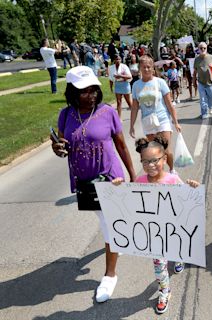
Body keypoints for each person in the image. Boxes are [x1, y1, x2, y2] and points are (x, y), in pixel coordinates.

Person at [50, 66, 136, 303]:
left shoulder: (108, 112)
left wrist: (133, 175)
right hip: (85, 182)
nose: (92, 95)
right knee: (104, 219)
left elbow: (121, 145)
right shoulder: (65, 115)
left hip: (110, 177)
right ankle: (117, 242)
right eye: (84, 91)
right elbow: (64, 147)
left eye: (94, 90)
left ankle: (110, 275)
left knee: (109, 224)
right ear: (72, 93)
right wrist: (57, 148)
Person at [112, 134, 199, 313]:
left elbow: (186, 201)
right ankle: (165, 291)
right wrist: (118, 189)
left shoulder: (172, 180)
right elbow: (130, 203)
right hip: (154, 233)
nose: (150, 165)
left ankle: (179, 256)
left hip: (172, 229)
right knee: (159, 264)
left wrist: (193, 188)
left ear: (165, 159)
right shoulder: (140, 181)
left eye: (155, 160)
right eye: (145, 162)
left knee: (176, 247)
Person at [130, 55, 181, 173]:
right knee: (155, 151)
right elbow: (135, 107)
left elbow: (169, 104)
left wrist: (176, 122)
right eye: (144, 67)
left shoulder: (160, 82)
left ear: (153, 68)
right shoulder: (136, 85)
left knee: (165, 149)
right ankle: (161, 174)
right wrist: (132, 125)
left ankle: (172, 170)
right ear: (140, 68)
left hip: (162, 120)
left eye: (149, 67)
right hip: (148, 122)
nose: (146, 69)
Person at [193, 42, 212, 119]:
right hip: (201, 82)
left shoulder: (211, 57)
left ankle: (211, 106)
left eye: (204, 48)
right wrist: (194, 82)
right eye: (201, 48)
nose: (203, 49)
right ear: (198, 49)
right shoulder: (196, 59)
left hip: (210, 82)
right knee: (202, 99)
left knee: (211, 97)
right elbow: (195, 71)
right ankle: (204, 113)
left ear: (206, 49)